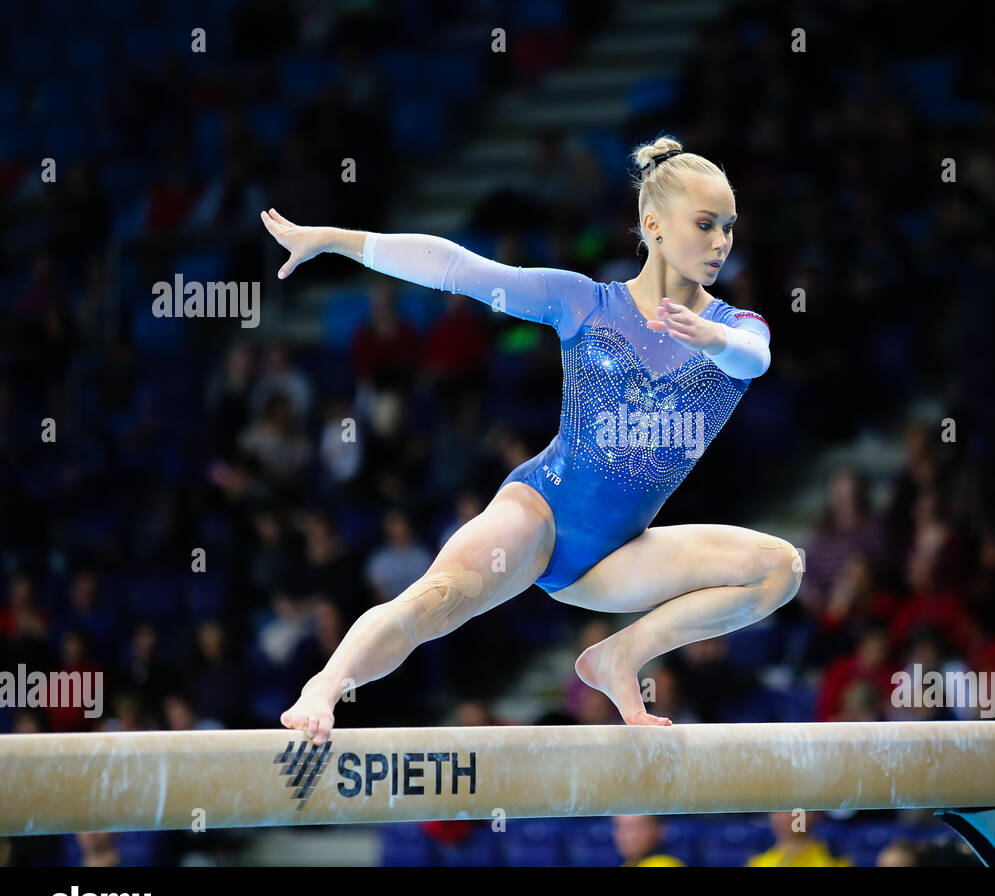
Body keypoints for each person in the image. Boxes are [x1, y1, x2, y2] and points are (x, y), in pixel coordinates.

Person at [263, 137, 800, 742]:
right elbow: (459, 270)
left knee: (780, 569)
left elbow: (754, 360)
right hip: (540, 514)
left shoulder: (735, 327)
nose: (721, 241)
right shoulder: (584, 302)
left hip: (618, 555)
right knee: (436, 601)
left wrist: (713, 341)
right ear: (653, 224)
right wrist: (337, 239)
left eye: (728, 227)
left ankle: (619, 657)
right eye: (705, 224)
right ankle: (327, 684)